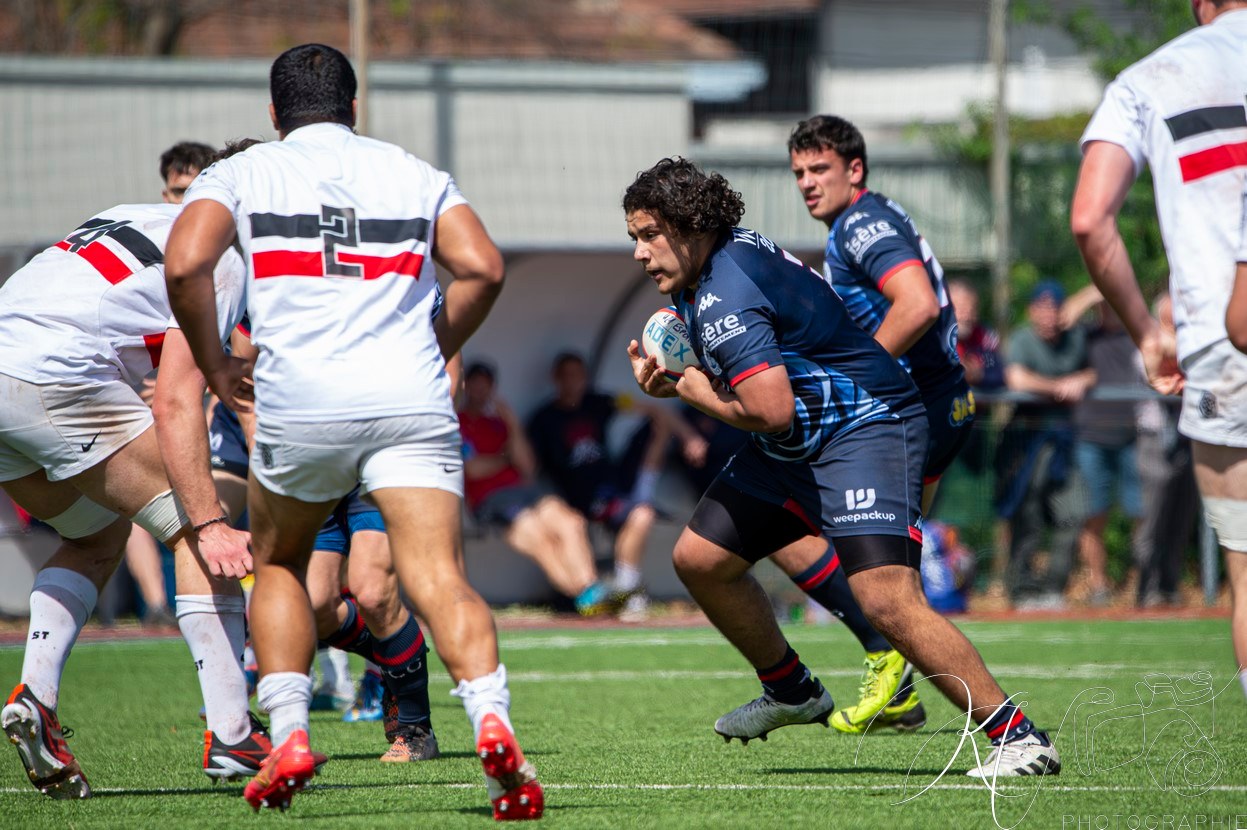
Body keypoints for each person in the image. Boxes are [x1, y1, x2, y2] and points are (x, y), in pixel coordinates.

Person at [164, 44, 543, 817]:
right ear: (354, 107)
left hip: (301, 401)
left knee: (280, 566)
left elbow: (183, 265)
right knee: (438, 577)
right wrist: (431, 344)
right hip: (408, 398)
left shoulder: (242, 172)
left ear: (274, 113)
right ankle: (492, 722)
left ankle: (290, 734)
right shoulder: (411, 171)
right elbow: (483, 267)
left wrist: (214, 362)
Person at [623, 156, 1059, 777]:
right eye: (634, 237)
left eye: (649, 235)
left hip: (864, 428)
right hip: (800, 441)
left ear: (689, 225)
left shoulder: (724, 292)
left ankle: (1019, 739)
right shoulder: (712, 268)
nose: (639, 253)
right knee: (701, 558)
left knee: (887, 601)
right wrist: (682, 377)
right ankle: (791, 690)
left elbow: (769, 409)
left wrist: (689, 392)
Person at [0, 200, 254, 798]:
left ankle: (35, 696)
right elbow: (174, 399)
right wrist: (208, 517)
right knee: (197, 523)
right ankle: (234, 736)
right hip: (54, 373)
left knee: (96, 536)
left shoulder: (132, 213)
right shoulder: (223, 258)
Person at [752, 114, 975, 734]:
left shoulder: (859, 224)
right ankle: (897, 680)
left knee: (770, 519)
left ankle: (908, 674)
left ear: (855, 169)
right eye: (799, 171)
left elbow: (917, 304)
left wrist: (854, 379)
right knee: (889, 575)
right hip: (940, 403)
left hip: (909, 410)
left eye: (819, 168)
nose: (807, 181)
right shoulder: (866, 217)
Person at [1072, 0, 1247, 698]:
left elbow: (1090, 221)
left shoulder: (1151, 77)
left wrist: (1147, 331)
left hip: (1223, 347)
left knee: (1245, 572)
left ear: (1199, 4)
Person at [527, 351, 707, 618]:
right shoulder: (544, 418)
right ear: (556, 378)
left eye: (577, 375)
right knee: (641, 514)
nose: (572, 381)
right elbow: (529, 467)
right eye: (566, 376)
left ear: (585, 378)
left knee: (656, 427)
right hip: (581, 496)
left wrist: (689, 437)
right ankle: (622, 590)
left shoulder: (598, 402)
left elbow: (652, 409)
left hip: (613, 484)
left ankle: (626, 586)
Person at [458, 362, 617, 616]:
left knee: (571, 522)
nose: (480, 390)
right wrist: (505, 460)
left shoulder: (499, 422)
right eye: (475, 384)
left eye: (485, 385)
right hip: (490, 499)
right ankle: (585, 597)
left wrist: (511, 421)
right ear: (465, 386)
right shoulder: (458, 421)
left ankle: (591, 590)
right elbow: (474, 469)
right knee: (539, 537)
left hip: (524, 490)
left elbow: (528, 467)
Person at [997, 282, 1095, 609]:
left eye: (1054, 307)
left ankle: (1053, 588)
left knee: (1074, 512)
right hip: (1026, 441)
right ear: (1031, 311)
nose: (1048, 314)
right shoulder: (1022, 339)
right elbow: (1016, 378)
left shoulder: (1076, 337)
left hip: (1064, 443)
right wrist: (1058, 387)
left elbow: (1094, 371)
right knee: (1028, 515)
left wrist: (1082, 379)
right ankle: (1021, 588)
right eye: (1042, 307)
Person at [1066, 288, 1146, 606]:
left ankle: (1141, 582)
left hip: (1131, 438)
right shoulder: (1086, 335)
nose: (1108, 309)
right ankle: (1098, 585)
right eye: (1104, 305)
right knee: (1093, 514)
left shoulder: (1137, 334)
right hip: (1091, 439)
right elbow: (1063, 317)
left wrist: (1118, 294)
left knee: (1141, 513)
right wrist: (1099, 288)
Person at [1137, 291, 1199, 607]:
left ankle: (1169, 587)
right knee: (1154, 520)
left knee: (1181, 519)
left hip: (1189, 440)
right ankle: (1145, 588)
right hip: (1156, 443)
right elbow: (1162, 369)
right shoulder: (1147, 341)